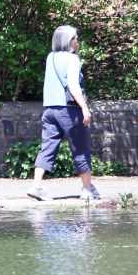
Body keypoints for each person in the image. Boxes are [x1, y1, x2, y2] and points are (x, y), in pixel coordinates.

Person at [27, 25, 99, 202]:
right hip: (69, 110)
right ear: (69, 41)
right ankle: (88, 189)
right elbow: (73, 86)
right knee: (80, 147)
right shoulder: (72, 59)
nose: (78, 41)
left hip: (50, 110)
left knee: (48, 146)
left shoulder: (50, 57)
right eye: (75, 38)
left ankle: (36, 186)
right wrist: (84, 107)